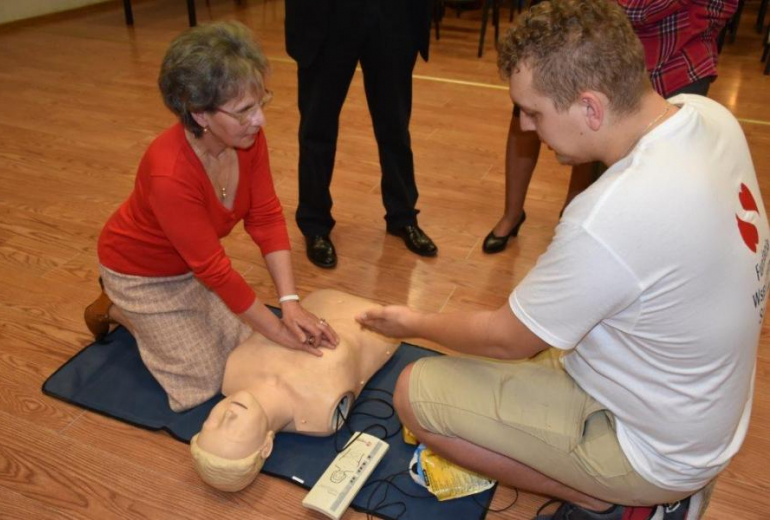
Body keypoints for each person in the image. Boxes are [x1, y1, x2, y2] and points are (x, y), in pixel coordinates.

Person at [358, 1, 767, 518]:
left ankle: (602, 496)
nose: (527, 128)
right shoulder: (709, 116)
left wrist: (411, 321)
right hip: (702, 415)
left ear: (590, 108)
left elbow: (506, 339)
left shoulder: (611, 215)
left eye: (534, 112)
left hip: (658, 453)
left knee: (415, 395)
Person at [83, 22, 339, 413]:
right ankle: (116, 308)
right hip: (140, 274)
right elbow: (216, 270)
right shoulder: (169, 172)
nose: (260, 120)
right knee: (204, 379)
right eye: (244, 111)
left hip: (192, 267)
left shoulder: (245, 136)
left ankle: (167, 320)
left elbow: (266, 215)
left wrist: (289, 303)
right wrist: (276, 331)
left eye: (260, 104)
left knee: (243, 347)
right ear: (200, 114)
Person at [482, 0, 739, 254]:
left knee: (613, 187)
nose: (527, 126)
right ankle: (525, 217)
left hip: (668, 62)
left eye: (533, 115)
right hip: (592, 49)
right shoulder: (721, 121)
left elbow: (636, 8)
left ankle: (576, 226)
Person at [189, 289, 401, 491]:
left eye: (211, 423)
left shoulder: (234, 369)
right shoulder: (320, 411)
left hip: (321, 298)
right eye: (233, 432)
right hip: (380, 319)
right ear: (266, 447)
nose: (229, 415)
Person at [284, 0, 438, 269]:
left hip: (393, 12)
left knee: (395, 126)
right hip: (329, 14)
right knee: (316, 127)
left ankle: (403, 216)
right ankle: (314, 222)